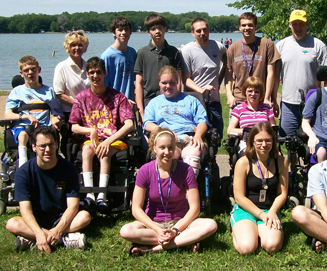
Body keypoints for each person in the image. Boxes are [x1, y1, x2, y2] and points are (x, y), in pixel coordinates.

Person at [119, 127, 218, 255]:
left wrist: (175, 230)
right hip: (153, 224)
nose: (167, 152)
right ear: (154, 149)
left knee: (211, 225)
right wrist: (158, 230)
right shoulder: (145, 171)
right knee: (126, 230)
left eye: (171, 147)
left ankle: (152, 249)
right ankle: (183, 242)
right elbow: (136, 209)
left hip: (180, 223)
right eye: (162, 148)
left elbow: (195, 208)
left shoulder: (186, 170)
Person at [5, 126, 91, 253]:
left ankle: (31, 240)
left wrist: (57, 230)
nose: (48, 150)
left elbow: (73, 206)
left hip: (61, 218)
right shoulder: (23, 173)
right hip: (35, 218)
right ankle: (65, 240)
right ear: (34, 147)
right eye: (42, 146)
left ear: (56, 145)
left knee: (85, 217)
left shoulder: (69, 169)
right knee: (12, 224)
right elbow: (25, 210)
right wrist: (39, 233)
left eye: (51, 144)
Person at [69, 57, 135, 210]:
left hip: (114, 140)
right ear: (87, 74)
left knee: (104, 153)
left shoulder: (118, 97)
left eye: (98, 72)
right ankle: (89, 195)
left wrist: (107, 141)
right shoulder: (81, 97)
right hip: (91, 140)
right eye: (91, 72)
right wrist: (90, 131)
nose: (95, 76)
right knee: (86, 151)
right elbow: (74, 126)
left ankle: (102, 196)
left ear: (105, 73)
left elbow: (129, 125)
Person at [230, 122, 288, 254]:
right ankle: (239, 231)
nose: (264, 145)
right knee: (247, 248)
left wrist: (272, 211)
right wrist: (261, 215)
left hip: (269, 210)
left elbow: (282, 193)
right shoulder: (243, 162)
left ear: (273, 141)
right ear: (252, 142)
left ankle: (258, 231)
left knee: (272, 246)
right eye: (259, 141)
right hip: (246, 210)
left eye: (268, 141)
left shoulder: (281, 162)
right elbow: (239, 197)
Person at [143, 66, 208, 177]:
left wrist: (198, 136)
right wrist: (164, 131)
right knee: (168, 155)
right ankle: (169, 188)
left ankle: (189, 189)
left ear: (178, 82)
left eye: (172, 83)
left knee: (192, 154)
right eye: (164, 83)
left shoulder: (191, 100)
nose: (168, 86)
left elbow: (202, 121)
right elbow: (147, 124)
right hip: (167, 139)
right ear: (159, 83)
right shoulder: (154, 103)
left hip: (190, 137)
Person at [276, 10, 327, 137]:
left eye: (301, 24)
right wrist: (272, 99)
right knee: (288, 141)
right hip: (288, 102)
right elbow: (274, 76)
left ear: (307, 24)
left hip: (312, 102)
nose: (298, 28)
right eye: (295, 24)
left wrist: (324, 100)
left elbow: (326, 77)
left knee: (313, 139)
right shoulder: (281, 45)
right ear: (289, 25)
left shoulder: (318, 45)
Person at [5, 55, 63, 167]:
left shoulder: (48, 91)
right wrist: (25, 117)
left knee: (47, 138)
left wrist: (55, 118)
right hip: (23, 127)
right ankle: (23, 165)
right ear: (21, 73)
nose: (30, 72)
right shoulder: (17, 92)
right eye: (26, 70)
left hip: (44, 127)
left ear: (39, 70)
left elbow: (57, 111)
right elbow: (7, 114)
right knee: (23, 135)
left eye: (33, 69)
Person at [225, 12, 281, 113]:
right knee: (235, 129)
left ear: (255, 26)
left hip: (261, 99)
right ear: (240, 27)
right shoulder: (233, 48)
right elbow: (228, 76)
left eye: (250, 25)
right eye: (243, 25)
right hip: (239, 100)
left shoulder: (267, 44)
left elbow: (271, 73)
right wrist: (229, 95)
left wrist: (267, 97)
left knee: (261, 129)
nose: (247, 28)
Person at [181, 18, 226, 135]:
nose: (202, 33)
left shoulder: (218, 46)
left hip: (214, 100)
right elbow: (185, 79)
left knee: (217, 134)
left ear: (209, 30)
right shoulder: (187, 51)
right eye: (198, 31)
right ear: (193, 33)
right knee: (196, 134)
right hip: (194, 100)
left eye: (204, 30)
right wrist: (201, 90)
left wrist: (220, 79)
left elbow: (228, 63)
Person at [135, 13, 182, 120]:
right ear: (148, 32)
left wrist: (177, 102)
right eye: (153, 29)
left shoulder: (173, 52)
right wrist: (141, 110)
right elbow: (138, 83)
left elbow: (178, 80)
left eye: (160, 28)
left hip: (169, 100)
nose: (157, 31)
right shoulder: (142, 53)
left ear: (165, 29)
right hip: (148, 101)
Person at [53, 30, 91, 158]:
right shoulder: (62, 67)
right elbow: (59, 94)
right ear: (67, 47)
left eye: (80, 45)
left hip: (89, 113)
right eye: (73, 45)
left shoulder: (89, 66)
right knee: (70, 146)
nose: (77, 48)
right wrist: (78, 104)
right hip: (70, 113)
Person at [227, 77, 276, 155]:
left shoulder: (266, 108)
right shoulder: (239, 109)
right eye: (250, 91)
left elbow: (274, 128)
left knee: (279, 157)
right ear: (245, 92)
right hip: (247, 142)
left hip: (264, 142)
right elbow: (230, 130)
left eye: (257, 92)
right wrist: (246, 131)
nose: (253, 94)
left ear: (260, 94)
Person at [101, 16, 137, 101]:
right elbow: (103, 86)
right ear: (114, 33)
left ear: (130, 32)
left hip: (130, 102)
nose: (123, 32)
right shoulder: (107, 56)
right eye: (120, 30)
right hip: (113, 102)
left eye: (126, 29)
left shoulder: (132, 53)